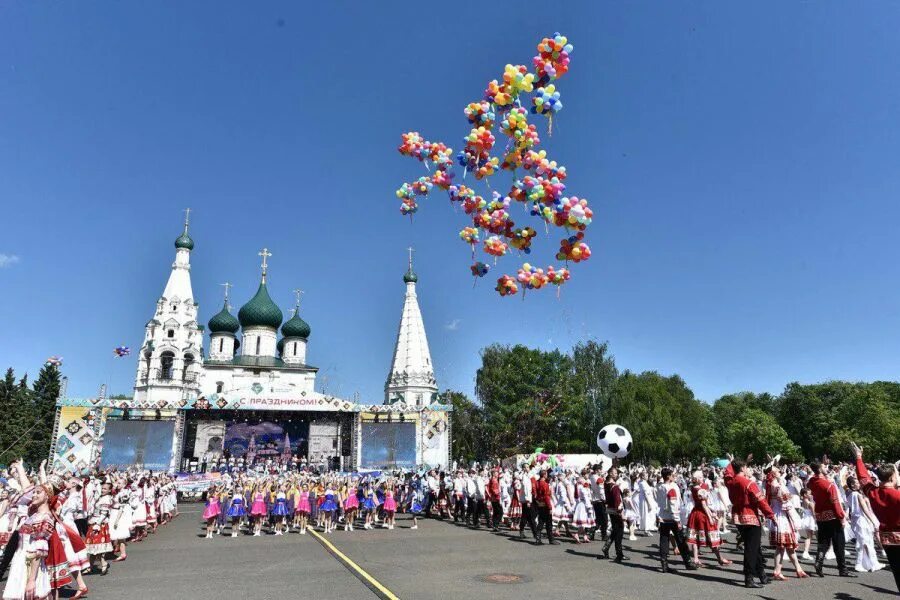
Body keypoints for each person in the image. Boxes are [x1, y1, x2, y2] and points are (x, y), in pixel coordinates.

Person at [851, 442, 899, 592]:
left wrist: (858, 458)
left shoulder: (873, 493)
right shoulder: (897, 496)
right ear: (892, 477)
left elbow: (863, 478)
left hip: (886, 538)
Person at [724, 455, 775, 588]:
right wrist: (770, 515)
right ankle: (749, 578)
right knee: (751, 549)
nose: (748, 469)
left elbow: (727, 474)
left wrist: (732, 462)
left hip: (738, 517)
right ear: (742, 468)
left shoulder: (731, 482)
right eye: (746, 467)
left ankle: (762, 575)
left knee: (754, 547)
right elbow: (761, 501)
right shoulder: (748, 483)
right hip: (750, 517)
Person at [807, 458, 855, 578]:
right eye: (823, 466)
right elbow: (835, 503)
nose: (826, 468)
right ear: (819, 469)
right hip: (833, 516)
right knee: (839, 543)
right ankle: (842, 569)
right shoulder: (829, 485)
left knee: (823, 542)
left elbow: (810, 482)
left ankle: (819, 561)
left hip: (820, 515)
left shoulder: (812, 482)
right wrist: (842, 517)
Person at [685, 470, 731, 568]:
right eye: (701, 477)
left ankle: (697, 559)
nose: (702, 478)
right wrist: (711, 516)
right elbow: (704, 505)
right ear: (697, 479)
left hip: (695, 513)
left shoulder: (694, 488)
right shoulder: (700, 489)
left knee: (696, 538)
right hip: (702, 515)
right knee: (711, 536)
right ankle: (719, 558)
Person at [656, 467, 698, 573]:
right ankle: (688, 562)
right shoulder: (671, 488)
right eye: (672, 475)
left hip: (663, 516)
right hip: (672, 518)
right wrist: (677, 520)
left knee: (664, 540)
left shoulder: (659, 487)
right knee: (681, 540)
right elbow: (673, 504)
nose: (674, 477)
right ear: (669, 476)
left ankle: (664, 564)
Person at [846, 476, 883, 572]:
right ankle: (860, 564)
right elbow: (865, 509)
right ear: (852, 485)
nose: (859, 484)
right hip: (862, 520)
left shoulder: (850, 494)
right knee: (864, 542)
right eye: (856, 483)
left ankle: (869, 563)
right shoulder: (857, 495)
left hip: (857, 520)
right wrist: (873, 521)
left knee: (864, 541)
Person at [601, 467, 625, 562]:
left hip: (610, 509)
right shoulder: (614, 486)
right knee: (619, 532)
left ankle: (607, 547)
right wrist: (621, 514)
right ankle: (619, 554)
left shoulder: (606, 484)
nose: (616, 475)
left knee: (615, 531)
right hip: (615, 510)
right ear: (610, 474)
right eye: (615, 473)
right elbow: (617, 502)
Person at [533, 468, 556, 545]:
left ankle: (538, 538)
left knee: (541, 521)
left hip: (540, 504)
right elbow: (546, 497)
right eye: (546, 474)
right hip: (545, 504)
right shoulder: (544, 484)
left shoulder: (537, 482)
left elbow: (534, 493)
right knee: (549, 523)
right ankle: (551, 539)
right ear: (544, 475)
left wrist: (537, 501)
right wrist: (550, 507)